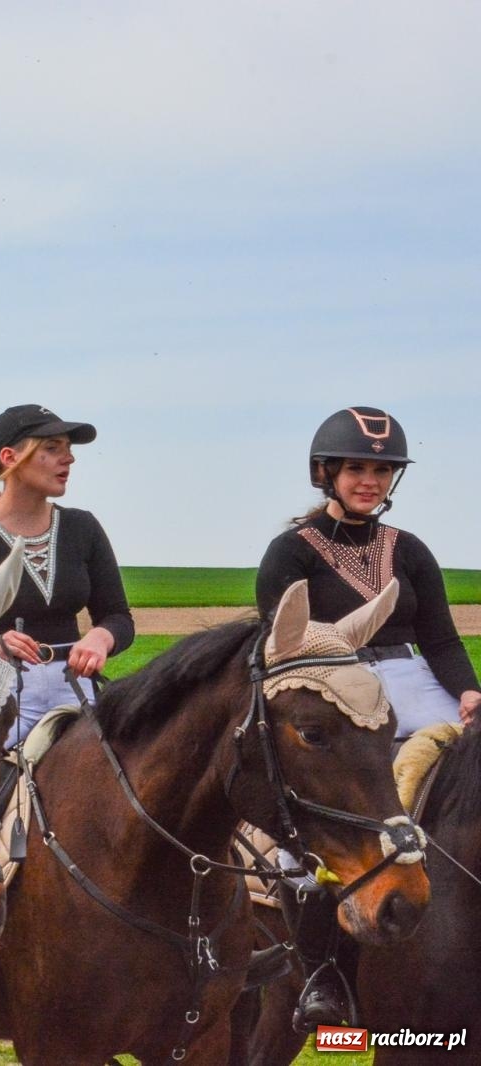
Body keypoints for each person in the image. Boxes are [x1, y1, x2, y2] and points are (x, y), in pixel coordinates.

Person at [257, 406, 481, 1030]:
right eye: (357, 467)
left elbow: (440, 637)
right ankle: (326, 975)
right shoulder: (289, 552)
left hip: (419, 682)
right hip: (338, 691)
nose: (370, 481)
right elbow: (282, 647)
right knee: (327, 835)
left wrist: (469, 693)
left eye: (383, 470)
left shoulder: (409, 550)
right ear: (324, 472)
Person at [0, 404, 134, 748]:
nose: (69, 459)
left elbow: (118, 616)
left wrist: (101, 637)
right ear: (9, 457)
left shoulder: (83, 527)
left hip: (77, 692)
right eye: (52, 449)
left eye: (69, 449)